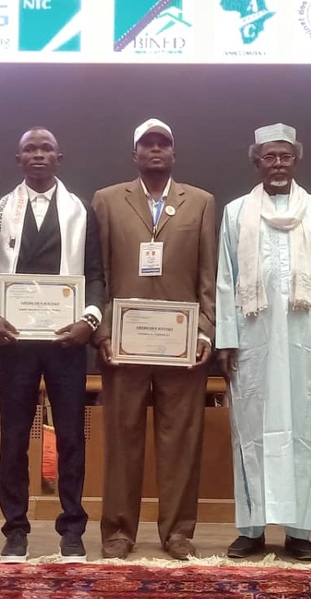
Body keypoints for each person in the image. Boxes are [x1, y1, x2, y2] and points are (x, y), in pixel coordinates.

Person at [0, 127, 105, 563]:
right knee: (14, 437)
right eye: (29, 148)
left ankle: (72, 530)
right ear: (18, 158)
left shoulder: (81, 211)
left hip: (67, 341)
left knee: (70, 436)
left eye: (45, 148)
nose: (37, 154)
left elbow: (97, 273)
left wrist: (90, 319)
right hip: (14, 341)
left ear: (59, 156)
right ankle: (15, 531)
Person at [91, 119, 216, 560]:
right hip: (122, 344)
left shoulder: (200, 202)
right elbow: (99, 273)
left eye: (164, 142)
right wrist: (102, 328)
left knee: (181, 439)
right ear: (135, 153)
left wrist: (206, 329)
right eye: (148, 143)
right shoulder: (107, 201)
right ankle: (118, 533)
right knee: (122, 439)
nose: (156, 149)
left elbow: (208, 274)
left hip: (182, 346)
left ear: (174, 153)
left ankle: (178, 532)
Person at [215, 123, 311, 561]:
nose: (278, 164)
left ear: (296, 160)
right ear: (256, 161)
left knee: (304, 431)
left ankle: (300, 531)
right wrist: (226, 341)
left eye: (285, 156)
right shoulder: (235, 213)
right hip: (253, 341)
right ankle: (251, 528)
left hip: (306, 340)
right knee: (250, 432)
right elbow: (225, 280)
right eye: (270, 157)